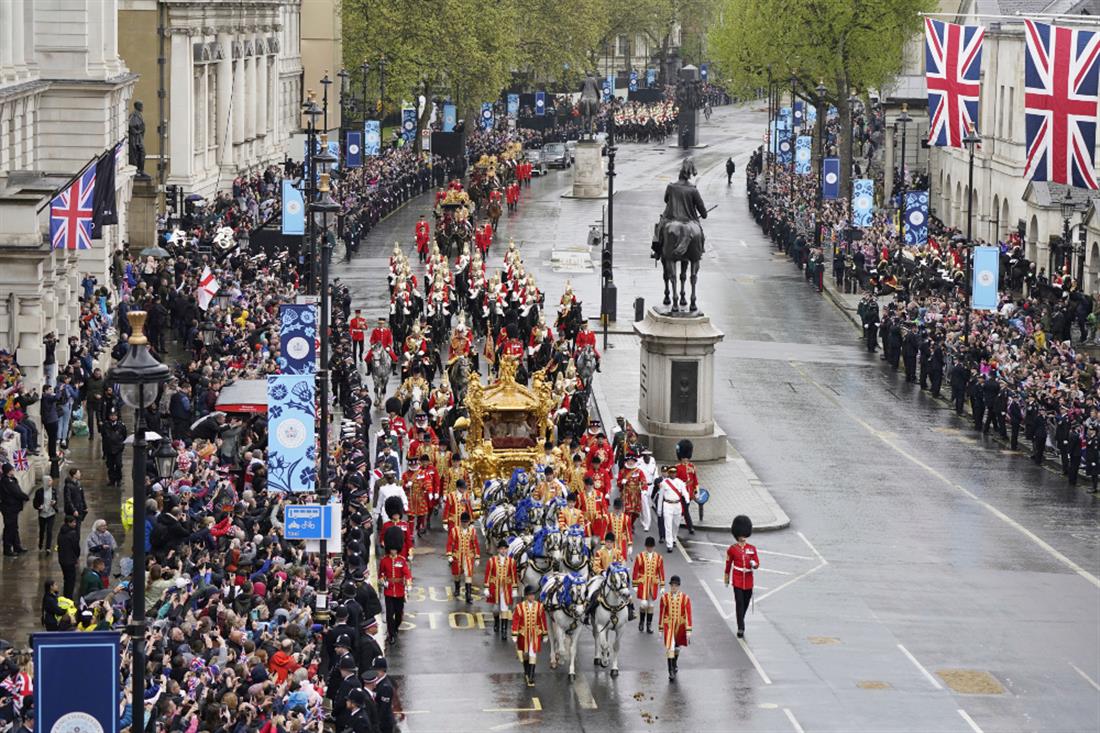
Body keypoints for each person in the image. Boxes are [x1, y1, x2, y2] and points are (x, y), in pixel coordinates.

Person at [724, 515, 758, 638]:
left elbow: (757, 562)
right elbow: (728, 564)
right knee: (739, 603)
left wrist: (754, 564)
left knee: (746, 602)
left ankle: (740, 619)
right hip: (737, 579)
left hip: (748, 579)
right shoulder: (732, 549)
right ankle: (741, 627)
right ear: (737, 534)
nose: (743, 537)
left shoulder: (752, 549)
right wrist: (726, 578)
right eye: (741, 534)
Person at [379, 527, 412, 646]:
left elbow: (407, 573)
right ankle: (391, 634)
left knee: (398, 614)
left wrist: (408, 584)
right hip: (388, 591)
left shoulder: (401, 560)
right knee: (389, 614)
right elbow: (381, 574)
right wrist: (383, 581)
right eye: (391, 549)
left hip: (399, 590)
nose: (393, 551)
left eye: (394, 550)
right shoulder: (384, 561)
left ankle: (395, 627)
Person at [511, 584, 548, 687]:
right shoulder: (520, 607)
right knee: (525, 654)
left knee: (533, 653)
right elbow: (516, 621)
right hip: (523, 635)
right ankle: (526, 670)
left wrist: (545, 633)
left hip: (535, 634)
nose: (533, 597)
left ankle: (531, 677)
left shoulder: (540, 606)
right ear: (527, 596)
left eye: (533, 595)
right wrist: (514, 633)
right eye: (530, 595)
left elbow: (543, 620)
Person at [658, 575, 692, 680]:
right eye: (672, 585)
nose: (674, 587)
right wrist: (660, 628)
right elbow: (662, 613)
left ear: (678, 586)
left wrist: (688, 629)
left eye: (676, 585)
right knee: (670, 646)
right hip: (669, 625)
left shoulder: (685, 598)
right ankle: (671, 671)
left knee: (677, 647)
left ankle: (674, 663)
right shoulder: (664, 598)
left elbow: (688, 614)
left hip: (680, 626)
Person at [484, 539, 518, 640]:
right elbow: (488, 574)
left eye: (505, 549)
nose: (503, 551)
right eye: (501, 549)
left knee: (504, 609)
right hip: (495, 587)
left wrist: (514, 588)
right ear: (498, 550)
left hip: (506, 589)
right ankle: (496, 622)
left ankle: (504, 630)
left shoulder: (511, 562)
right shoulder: (492, 560)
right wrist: (486, 587)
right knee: (495, 609)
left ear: (507, 550)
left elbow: (513, 576)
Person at [445, 511, 480, 603]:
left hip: (469, 556)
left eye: (466, 522)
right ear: (460, 522)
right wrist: (449, 554)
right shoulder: (454, 530)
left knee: (468, 575)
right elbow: (449, 543)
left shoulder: (472, 531)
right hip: (457, 555)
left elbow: (475, 544)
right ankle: (457, 588)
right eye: (463, 522)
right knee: (457, 574)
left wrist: (477, 557)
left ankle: (468, 595)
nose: (464, 524)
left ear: (469, 522)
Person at [632, 536, 665, 633]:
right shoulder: (640, 556)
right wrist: (635, 584)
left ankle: (649, 625)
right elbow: (635, 571)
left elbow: (661, 572)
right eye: (648, 546)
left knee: (651, 604)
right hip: (643, 584)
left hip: (653, 585)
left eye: (651, 547)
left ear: (653, 547)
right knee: (643, 604)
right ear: (646, 546)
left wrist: (662, 586)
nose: (649, 548)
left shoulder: (659, 558)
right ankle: (641, 622)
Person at [658, 465, 688, 552]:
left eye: (674, 473)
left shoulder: (680, 482)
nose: (673, 474)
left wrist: (687, 499)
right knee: (668, 525)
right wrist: (659, 509)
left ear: (676, 473)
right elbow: (660, 497)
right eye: (671, 472)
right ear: (669, 473)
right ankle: (669, 544)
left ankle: (674, 537)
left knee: (676, 524)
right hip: (667, 504)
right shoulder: (664, 483)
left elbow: (684, 492)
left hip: (677, 505)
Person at [101, 411, 128, 487]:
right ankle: (112, 480)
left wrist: (121, 445)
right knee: (110, 465)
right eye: (111, 415)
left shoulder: (121, 426)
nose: (113, 417)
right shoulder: (105, 425)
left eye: (114, 415)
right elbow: (103, 436)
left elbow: (124, 435)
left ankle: (118, 479)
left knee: (118, 464)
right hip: (109, 449)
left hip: (118, 449)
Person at [57, 514, 81, 598]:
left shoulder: (61, 531)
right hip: (70, 560)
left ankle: (65, 594)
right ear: (68, 523)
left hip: (62, 559)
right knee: (71, 580)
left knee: (66, 578)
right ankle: (69, 596)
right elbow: (76, 547)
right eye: (73, 522)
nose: (75, 524)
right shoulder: (73, 533)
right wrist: (77, 557)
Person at [35, 473, 58, 553]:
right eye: (49, 480)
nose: (51, 482)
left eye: (51, 480)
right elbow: (35, 503)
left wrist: (54, 502)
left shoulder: (54, 490)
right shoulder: (39, 492)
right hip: (42, 514)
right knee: (42, 530)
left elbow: (56, 500)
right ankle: (41, 544)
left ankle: (48, 547)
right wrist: (39, 507)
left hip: (51, 513)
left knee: (49, 531)